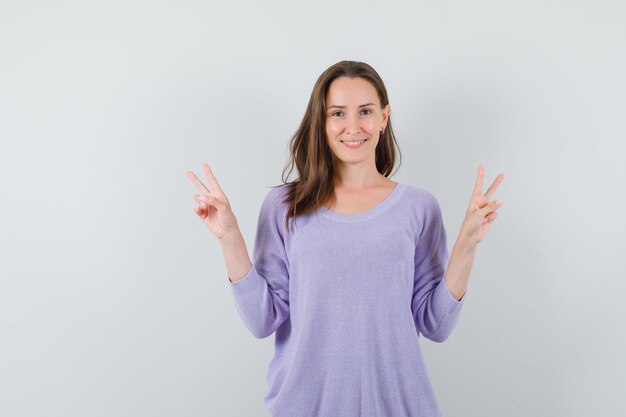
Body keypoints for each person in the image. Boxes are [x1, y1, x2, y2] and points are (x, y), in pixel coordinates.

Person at [186, 60, 505, 417]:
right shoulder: (283, 207)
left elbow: (437, 325)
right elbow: (263, 320)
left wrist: (466, 245)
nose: (353, 127)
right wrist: (230, 238)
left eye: (365, 111)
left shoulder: (419, 208)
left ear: (384, 117)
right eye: (338, 113)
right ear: (321, 122)